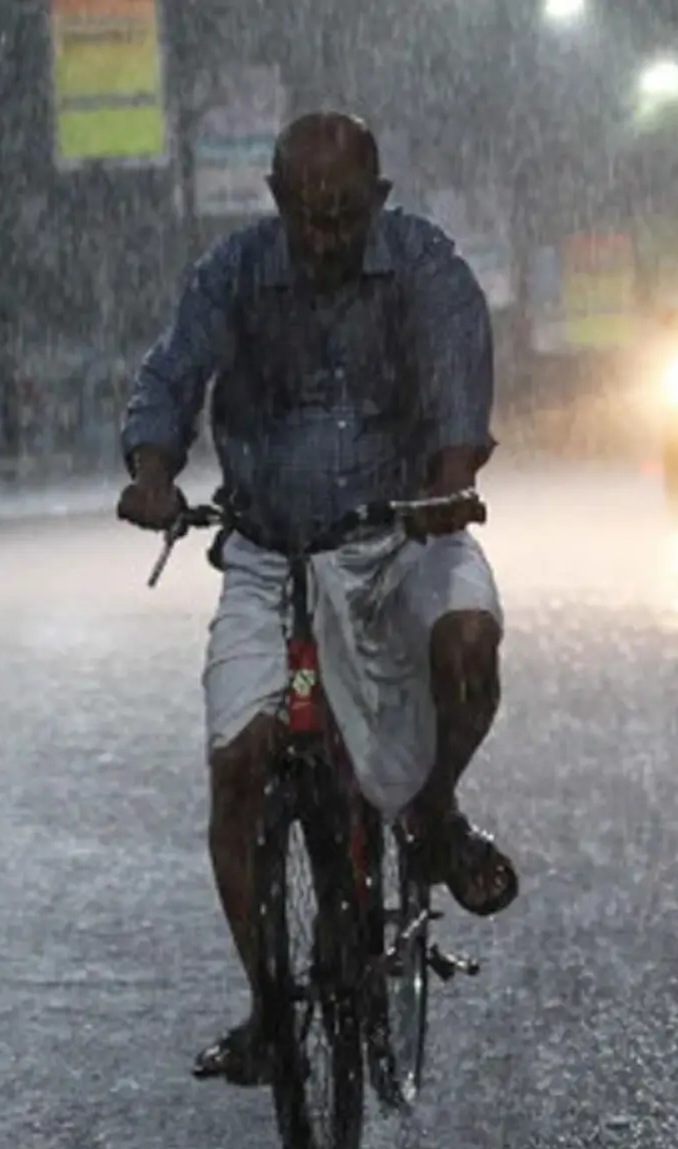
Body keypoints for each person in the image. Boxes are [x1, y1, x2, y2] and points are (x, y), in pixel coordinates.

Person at [114, 111, 520, 1086]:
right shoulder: (234, 274)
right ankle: (267, 1009)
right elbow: (169, 376)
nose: (325, 238)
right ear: (277, 204)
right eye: (307, 218)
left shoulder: (424, 266)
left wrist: (449, 479)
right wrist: (153, 472)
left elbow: (459, 377)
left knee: (465, 648)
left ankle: (429, 812)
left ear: (375, 202)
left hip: (400, 534)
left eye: (343, 217)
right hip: (267, 549)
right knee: (239, 768)